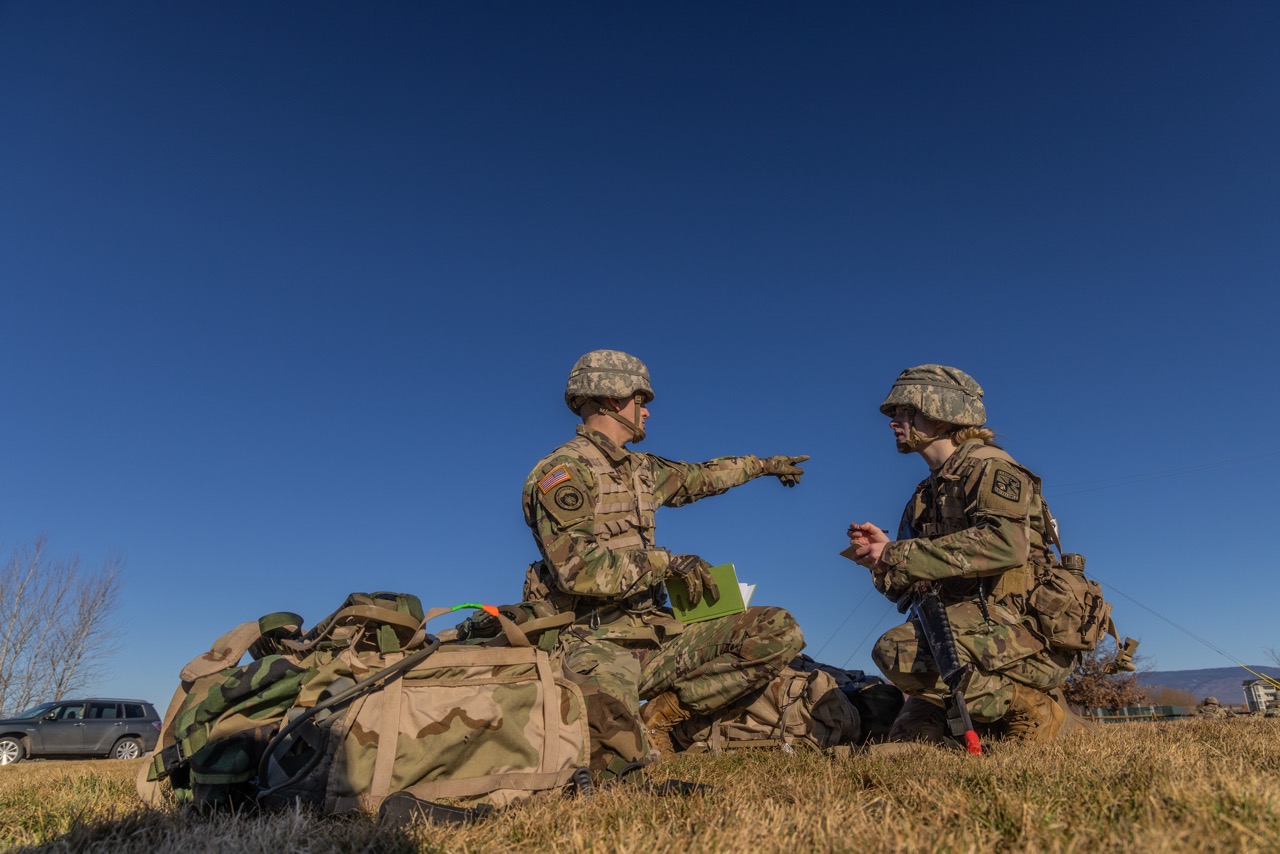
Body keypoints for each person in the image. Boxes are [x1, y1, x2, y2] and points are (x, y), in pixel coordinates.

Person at [522, 349, 807, 780]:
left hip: (653, 634)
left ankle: (663, 718)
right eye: (642, 400)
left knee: (777, 630)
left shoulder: (641, 470)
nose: (648, 412)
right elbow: (577, 568)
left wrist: (763, 466)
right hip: (591, 642)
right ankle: (634, 735)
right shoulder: (563, 471)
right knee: (622, 766)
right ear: (613, 397)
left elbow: (704, 477)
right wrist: (667, 564)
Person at [847, 364, 1078, 744]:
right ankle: (993, 714)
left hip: (1021, 625)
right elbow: (908, 590)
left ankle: (1030, 705)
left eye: (906, 412)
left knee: (895, 651)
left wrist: (900, 553)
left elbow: (1005, 543)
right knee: (909, 742)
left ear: (942, 416)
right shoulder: (923, 497)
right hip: (961, 629)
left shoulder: (991, 467)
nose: (893, 422)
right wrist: (881, 557)